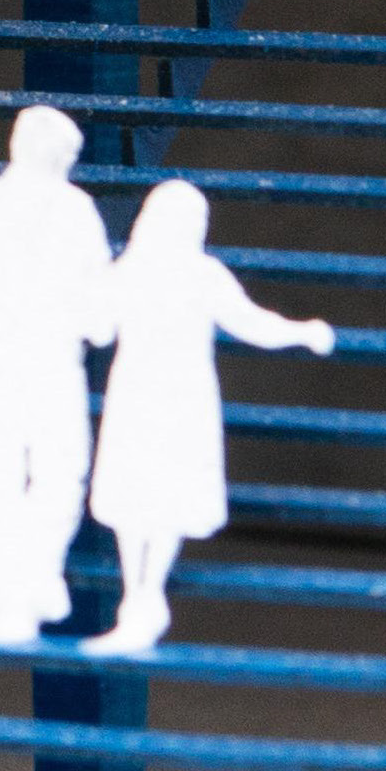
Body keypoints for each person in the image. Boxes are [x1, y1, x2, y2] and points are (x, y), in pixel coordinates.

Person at [81, 178, 334, 655]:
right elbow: (97, 328)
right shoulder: (137, 270)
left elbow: (251, 322)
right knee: (136, 495)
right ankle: (139, 598)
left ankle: (144, 598)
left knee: (164, 495)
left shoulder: (198, 274)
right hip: (142, 394)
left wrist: (300, 332)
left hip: (176, 397)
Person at [0, 103, 118, 644]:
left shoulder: (2, 204)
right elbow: (100, 311)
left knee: (27, 477)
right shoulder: (62, 208)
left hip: (22, 360)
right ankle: (23, 591)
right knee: (37, 475)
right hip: (28, 360)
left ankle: (27, 584)